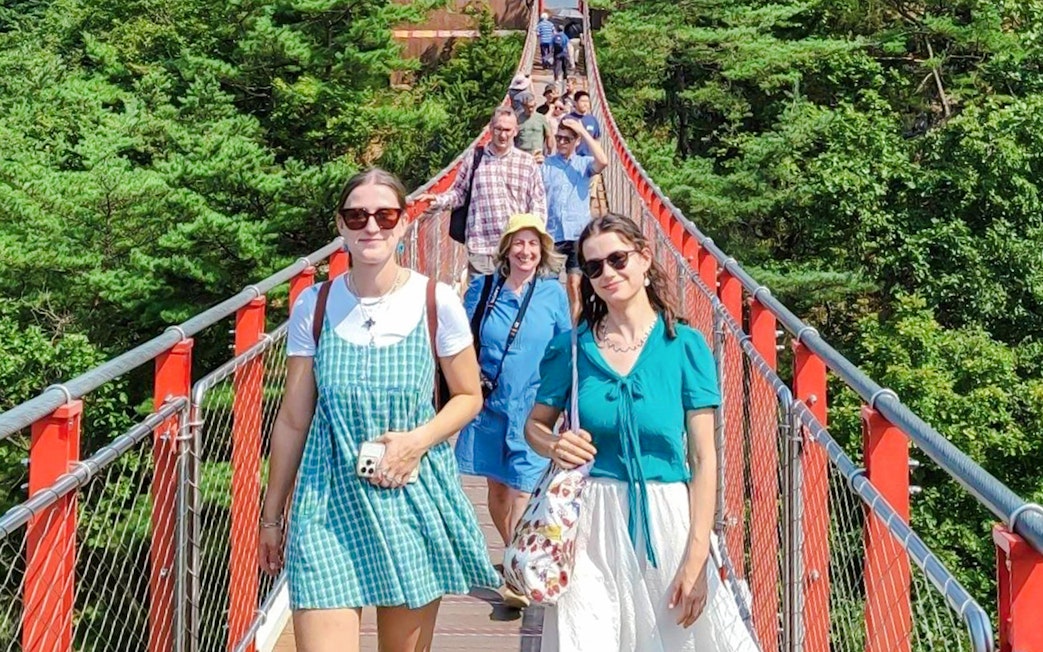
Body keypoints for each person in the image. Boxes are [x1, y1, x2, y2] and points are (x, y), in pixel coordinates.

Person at [259, 168, 501, 652]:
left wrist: (416, 441)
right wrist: (271, 517)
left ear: (405, 223)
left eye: (385, 214)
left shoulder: (436, 301)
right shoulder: (315, 304)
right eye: (357, 215)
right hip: (327, 502)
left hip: (408, 495)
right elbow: (292, 418)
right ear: (341, 226)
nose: (372, 226)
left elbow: (469, 395)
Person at [525, 214, 725, 651]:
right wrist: (554, 443)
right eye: (594, 267)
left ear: (645, 258)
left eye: (618, 259)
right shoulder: (571, 348)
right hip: (589, 524)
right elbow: (534, 427)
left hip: (666, 517)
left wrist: (697, 559)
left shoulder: (686, 347)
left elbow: (704, 459)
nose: (607, 274)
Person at [454, 213, 571, 608]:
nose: (526, 251)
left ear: (543, 251)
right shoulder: (482, 289)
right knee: (498, 487)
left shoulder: (553, 294)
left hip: (534, 406)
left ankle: (516, 572)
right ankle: (512, 554)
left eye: (533, 244)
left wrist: (567, 401)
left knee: (523, 486)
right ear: (507, 250)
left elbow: (565, 349)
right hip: (489, 402)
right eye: (519, 244)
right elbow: (460, 340)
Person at [416, 106, 546, 277]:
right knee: (479, 302)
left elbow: (538, 204)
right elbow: (459, 194)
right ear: (491, 129)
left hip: (516, 250)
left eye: (507, 130)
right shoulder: (474, 158)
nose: (503, 135)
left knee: (512, 301)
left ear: (515, 131)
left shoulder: (527, 163)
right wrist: (437, 201)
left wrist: (534, 242)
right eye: (498, 129)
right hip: (482, 247)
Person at [542, 118, 608, 322]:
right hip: (552, 233)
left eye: (567, 139)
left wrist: (582, 131)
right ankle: (551, 323)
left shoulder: (583, 164)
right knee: (547, 284)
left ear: (576, 142)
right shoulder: (545, 164)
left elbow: (603, 161)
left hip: (577, 234)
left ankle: (575, 329)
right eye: (559, 138)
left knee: (574, 284)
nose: (561, 142)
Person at [514, 91, 554, 156]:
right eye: (528, 106)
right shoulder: (517, 118)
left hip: (537, 152)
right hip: (521, 152)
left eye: (532, 106)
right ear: (523, 106)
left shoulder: (541, 118)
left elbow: (548, 135)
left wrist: (549, 152)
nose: (530, 109)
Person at [566, 91, 602, 157]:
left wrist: (597, 155)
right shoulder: (567, 119)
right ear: (575, 103)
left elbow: (597, 139)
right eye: (582, 101)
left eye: (587, 101)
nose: (585, 104)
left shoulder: (593, 120)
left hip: (588, 158)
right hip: (571, 158)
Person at [551, 26, 570, 93]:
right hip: (564, 53)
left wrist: (551, 52)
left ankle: (556, 79)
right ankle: (565, 77)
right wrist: (569, 55)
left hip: (557, 53)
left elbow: (552, 44)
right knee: (564, 66)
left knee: (557, 66)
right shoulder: (565, 36)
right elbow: (568, 44)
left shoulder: (554, 36)